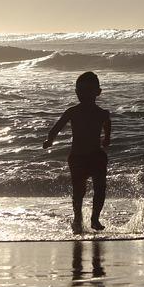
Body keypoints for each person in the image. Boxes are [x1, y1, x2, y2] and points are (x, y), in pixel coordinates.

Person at [43, 72, 111, 234]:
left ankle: (95, 218)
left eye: (88, 91)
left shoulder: (102, 113)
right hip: (78, 157)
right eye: (80, 91)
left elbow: (107, 126)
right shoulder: (72, 111)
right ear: (76, 92)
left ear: (98, 92)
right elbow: (56, 127)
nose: (83, 94)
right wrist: (50, 140)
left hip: (96, 156)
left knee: (100, 188)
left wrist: (107, 138)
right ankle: (78, 219)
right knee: (78, 191)